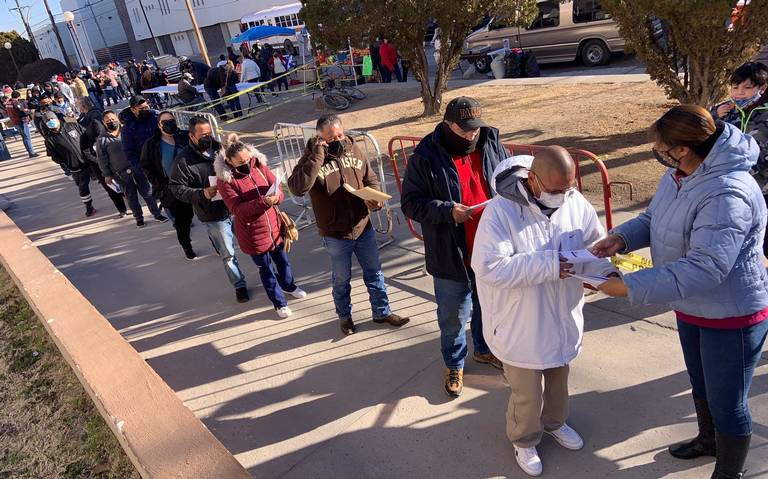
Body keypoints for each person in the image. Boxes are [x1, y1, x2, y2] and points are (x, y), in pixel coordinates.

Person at [592, 105, 768, 479]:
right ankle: (708, 440)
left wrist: (629, 287)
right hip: (691, 304)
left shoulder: (727, 193)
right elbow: (653, 218)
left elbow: (707, 267)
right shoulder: (679, 175)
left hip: (731, 314)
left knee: (728, 400)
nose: (657, 150)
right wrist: (621, 239)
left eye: (661, 145)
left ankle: (728, 472)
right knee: (701, 381)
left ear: (683, 148)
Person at [472, 147, 619, 476]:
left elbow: (594, 243)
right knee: (526, 392)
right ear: (532, 179)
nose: (562, 196)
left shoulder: (574, 202)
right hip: (519, 321)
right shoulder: (501, 212)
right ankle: (523, 440)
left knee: (558, 380)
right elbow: (489, 266)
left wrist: (603, 272)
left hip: (562, 313)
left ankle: (555, 423)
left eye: (567, 188)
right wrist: (551, 265)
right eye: (555, 190)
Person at [401, 97, 507, 397]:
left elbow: (507, 177)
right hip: (451, 253)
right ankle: (454, 363)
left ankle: (484, 349)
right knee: (453, 315)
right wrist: (447, 211)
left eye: (475, 128)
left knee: (488, 306)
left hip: (490, 249)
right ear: (448, 124)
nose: (472, 134)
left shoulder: (491, 141)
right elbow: (410, 203)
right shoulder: (426, 155)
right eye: (465, 130)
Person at [287, 114, 409, 335]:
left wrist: (377, 200)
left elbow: (369, 177)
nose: (337, 140)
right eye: (330, 138)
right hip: (335, 232)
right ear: (319, 138)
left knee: (375, 273)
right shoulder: (311, 158)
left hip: (363, 225)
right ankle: (345, 317)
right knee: (341, 279)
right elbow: (298, 188)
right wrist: (316, 156)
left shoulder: (354, 149)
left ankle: (382, 312)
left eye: (340, 134)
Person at [215, 133, 307, 317]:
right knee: (266, 269)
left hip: (274, 226)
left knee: (283, 261)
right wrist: (264, 202)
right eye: (241, 163)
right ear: (229, 162)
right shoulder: (225, 181)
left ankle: (289, 285)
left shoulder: (259, 165)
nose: (247, 164)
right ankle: (278, 302)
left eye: (248, 160)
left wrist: (277, 197)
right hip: (252, 233)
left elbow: (277, 187)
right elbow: (237, 209)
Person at [169, 115, 249, 303]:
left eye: (209, 133)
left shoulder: (219, 149)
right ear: (191, 136)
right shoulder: (183, 161)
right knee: (228, 253)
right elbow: (176, 189)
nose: (207, 137)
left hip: (236, 206)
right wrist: (202, 193)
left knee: (252, 242)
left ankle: (266, 273)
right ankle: (239, 286)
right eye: (203, 134)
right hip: (213, 213)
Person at [711, 62, 768, 256]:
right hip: (734, 189)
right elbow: (708, 139)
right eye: (735, 87)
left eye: (747, 87)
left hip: (763, 187)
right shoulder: (727, 110)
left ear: (762, 88)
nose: (739, 93)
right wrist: (714, 117)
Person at [96, 110, 166, 228]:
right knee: (131, 197)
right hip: (121, 174)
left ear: (117, 119)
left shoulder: (128, 131)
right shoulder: (101, 140)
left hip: (137, 167)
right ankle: (139, 218)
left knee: (147, 192)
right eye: (108, 121)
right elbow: (101, 159)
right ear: (103, 122)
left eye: (113, 119)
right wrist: (107, 175)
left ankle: (157, 214)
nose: (111, 122)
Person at [140, 111, 196, 259]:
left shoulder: (185, 136)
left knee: (209, 218)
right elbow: (146, 166)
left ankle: (218, 245)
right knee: (182, 222)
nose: (169, 124)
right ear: (159, 125)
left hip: (194, 185)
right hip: (172, 190)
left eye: (171, 120)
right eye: (165, 122)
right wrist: (159, 183)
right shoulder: (152, 144)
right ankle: (187, 246)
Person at [78, 97, 128, 218]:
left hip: (106, 160)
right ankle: (126, 206)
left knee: (115, 185)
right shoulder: (96, 116)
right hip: (105, 160)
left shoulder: (90, 122)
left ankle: (124, 207)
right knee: (116, 184)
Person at [40, 111, 96, 216]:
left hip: (90, 160)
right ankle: (89, 206)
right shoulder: (49, 139)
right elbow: (54, 156)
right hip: (75, 166)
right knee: (82, 187)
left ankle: (121, 196)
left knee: (106, 179)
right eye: (47, 121)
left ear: (57, 119)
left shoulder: (71, 125)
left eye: (52, 119)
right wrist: (65, 163)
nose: (51, 121)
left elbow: (86, 135)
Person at [4, 91, 38, 158]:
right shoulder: (15, 103)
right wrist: (29, 112)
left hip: (15, 122)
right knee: (27, 137)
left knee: (24, 137)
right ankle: (31, 153)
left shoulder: (8, 103)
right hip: (21, 121)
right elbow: (20, 111)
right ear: (18, 96)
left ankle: (30, 152)